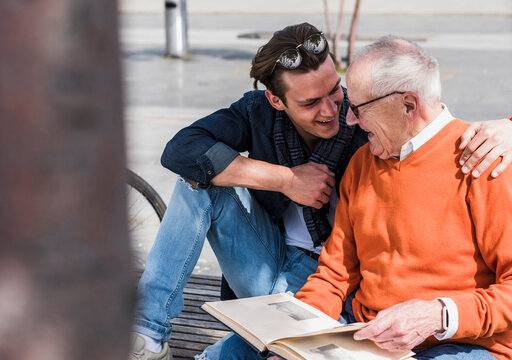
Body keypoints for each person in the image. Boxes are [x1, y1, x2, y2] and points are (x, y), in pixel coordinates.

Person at [130, 23, 512, 360]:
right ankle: (148, 334)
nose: (344, 117)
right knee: (236, 350)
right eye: (312, 102)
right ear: (276, 101)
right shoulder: (364, 157)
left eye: (348, 101)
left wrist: (439, 314)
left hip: (457, 341)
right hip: (345, 319)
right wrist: (291, 343)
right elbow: (334, 274)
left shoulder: (482, 160)